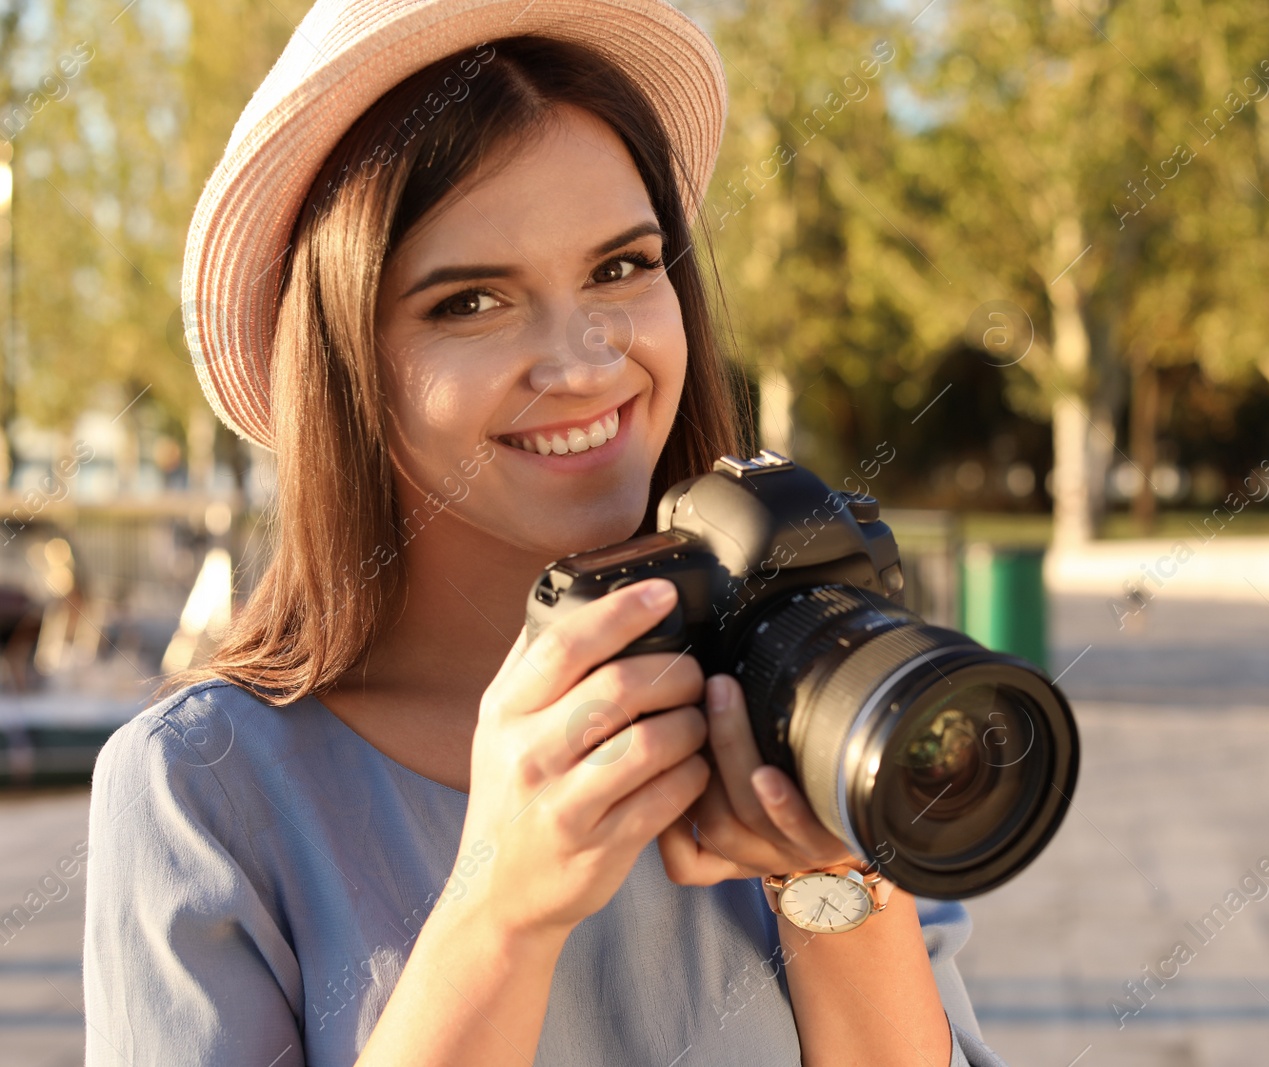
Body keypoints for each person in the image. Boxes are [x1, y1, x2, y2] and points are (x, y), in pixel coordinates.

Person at [82, 1, 1006, 1064]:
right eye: (470, 301)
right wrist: (501, 913)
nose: (582, 362)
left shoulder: (802, 683)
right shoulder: (201, 790)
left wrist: (830, 882)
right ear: (344, 369)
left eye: (620, 267)